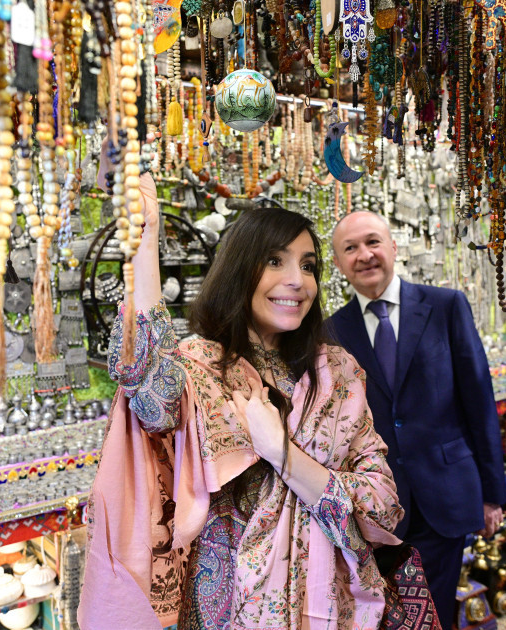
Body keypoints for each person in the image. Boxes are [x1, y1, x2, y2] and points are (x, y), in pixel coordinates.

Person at [77, 175, 404, 630]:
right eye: (274, 261)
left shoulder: (337, 372)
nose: (297, 281)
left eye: (308, 266)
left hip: (328, 605)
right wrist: (145, 244)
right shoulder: (201, 368)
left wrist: (282, 454)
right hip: (228, 609)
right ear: (238, 270)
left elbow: (382, 502)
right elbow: (149, 394)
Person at [325, 211, 506, 629]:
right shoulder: (331, 331)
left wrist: (492, 495)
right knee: (382, 616)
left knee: (436, 612)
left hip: (444, 496)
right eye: (350, 248)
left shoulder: (446, 306)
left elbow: (479, 401)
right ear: (338, 263)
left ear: (393, 247)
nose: (364, 255)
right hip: (373, 508)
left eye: (373, 241)